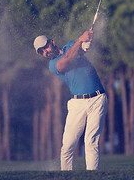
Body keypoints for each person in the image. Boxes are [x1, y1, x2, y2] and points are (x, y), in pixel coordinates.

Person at [33, 29, 107, 171]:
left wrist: (85, 42)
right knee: (68, 146)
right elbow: (68, 59)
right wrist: (80, 40)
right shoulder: (53, 65)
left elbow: (80, 50)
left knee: (91, 142)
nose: (45, 52)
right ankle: (66, 175)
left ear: (52, 42)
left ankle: (92, 175)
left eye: (45, 47)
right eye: (41, 52)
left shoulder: (70, 45)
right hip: (77, 104)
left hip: (98, 99)